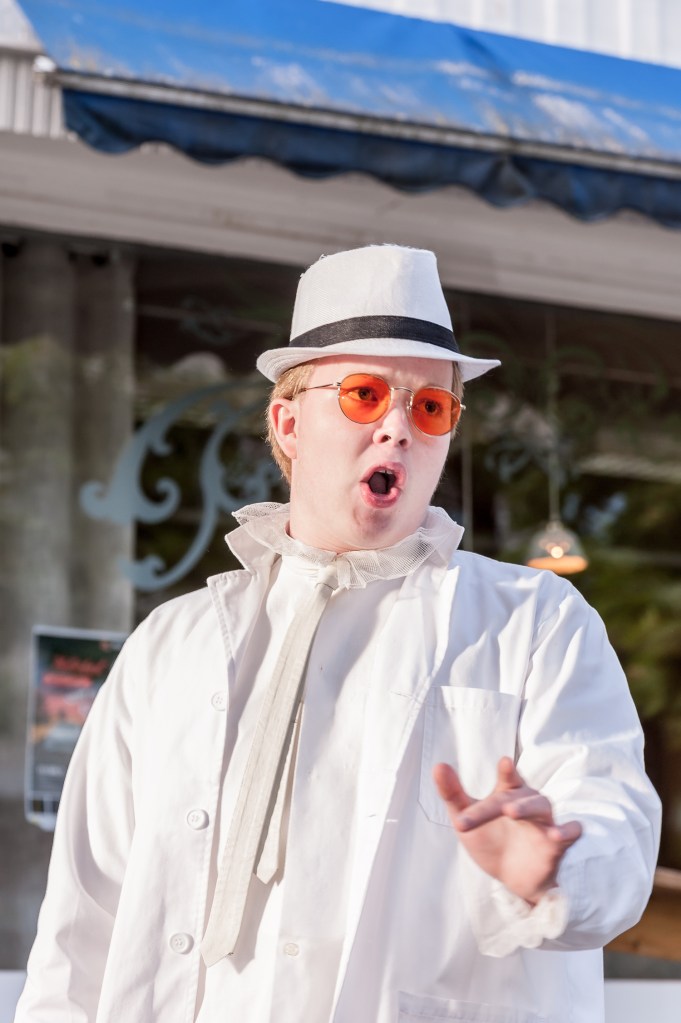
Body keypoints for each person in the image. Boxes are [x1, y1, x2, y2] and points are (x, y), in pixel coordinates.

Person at [16, 244, 660, 1023]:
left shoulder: (535, 621)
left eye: (430, 407)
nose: (398, 428)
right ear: (288, 422)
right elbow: (81, 919)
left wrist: (556, 865)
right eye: (363, 395)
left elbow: (614, 830)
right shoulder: (170, 645)